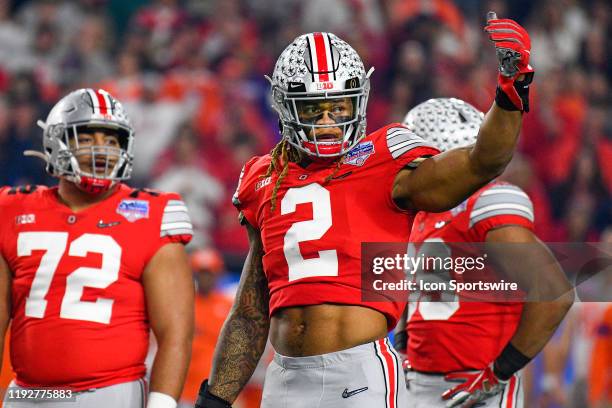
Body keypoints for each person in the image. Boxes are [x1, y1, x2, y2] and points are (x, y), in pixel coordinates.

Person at [197, 13, 535, 408]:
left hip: (359, 373)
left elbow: (483, 161)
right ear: (286, 107)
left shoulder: (385, 156)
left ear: (358, 101)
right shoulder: (263, 178)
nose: (327, 122)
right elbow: (251, 310)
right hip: (285, 377)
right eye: (313, 109)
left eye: (338, 107)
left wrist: (511, 92)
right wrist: (215, 399)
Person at [0, 88, 195, 408]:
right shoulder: (12, 208)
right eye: (87, 139)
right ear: (56, 141)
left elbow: (176, 332)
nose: (102, 150)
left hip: (109, 393)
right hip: (28, 394)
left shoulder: (152, 213)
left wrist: (161, 404)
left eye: (111, 140)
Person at [394, 98, 573, 408]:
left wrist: (498, 373)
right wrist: (402, 347)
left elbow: (553, 294)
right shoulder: (423, 211)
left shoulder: (487, 201)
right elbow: (414, 289)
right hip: (418, 381)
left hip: (472, 382)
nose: (410, 169)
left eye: (419, 160)